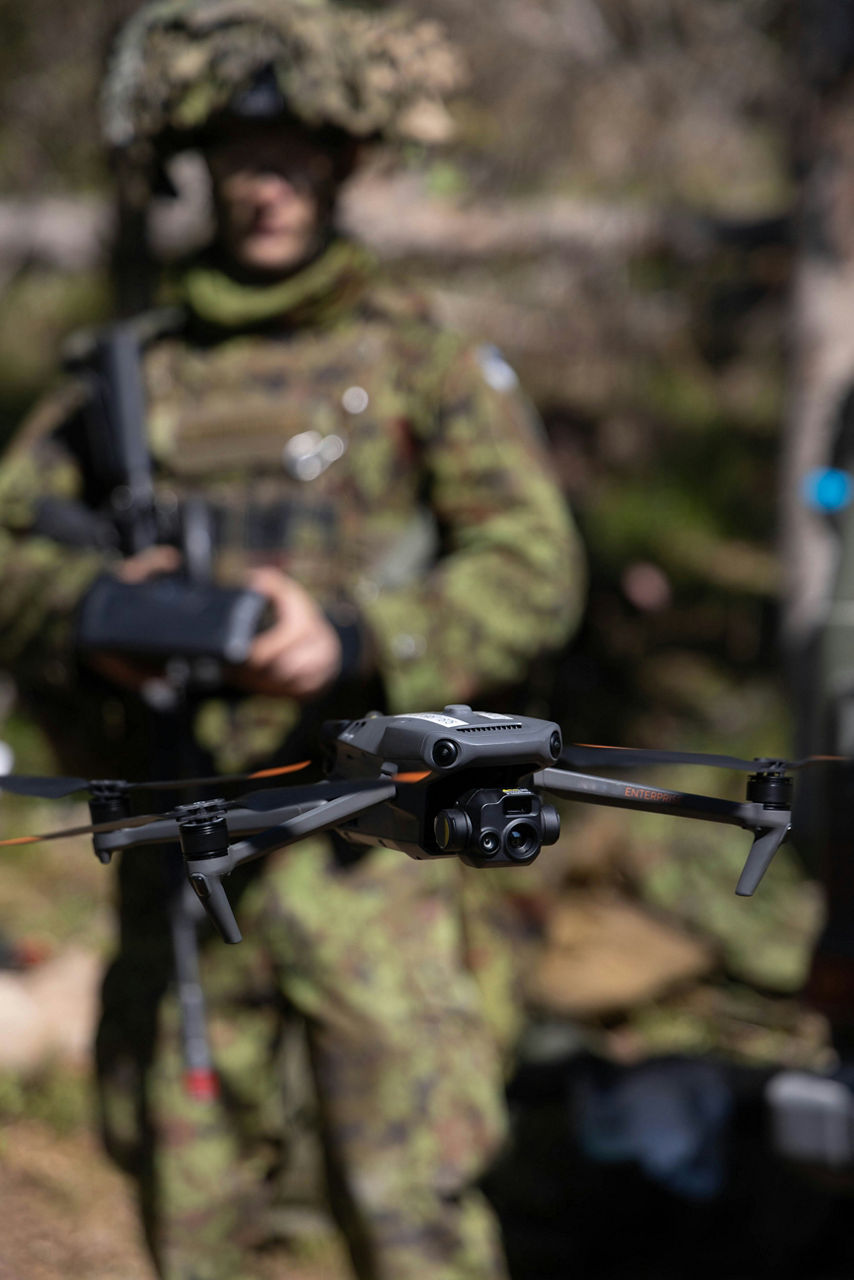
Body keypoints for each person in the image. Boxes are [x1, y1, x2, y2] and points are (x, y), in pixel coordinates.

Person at [0, 3, 585, 1277]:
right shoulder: (126, 379)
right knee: (192, 1212)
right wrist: (100, 614)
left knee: (408, 1209)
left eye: (297, 158)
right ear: (198, 167)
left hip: (373, 858)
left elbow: (537, 566)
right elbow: (11, 551)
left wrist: (360, 636)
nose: (269, 189)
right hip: (188, 842)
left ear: (341, 165)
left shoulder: (416, 356)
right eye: (242, 158)